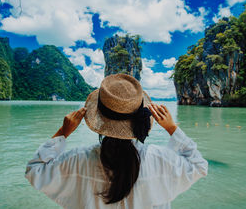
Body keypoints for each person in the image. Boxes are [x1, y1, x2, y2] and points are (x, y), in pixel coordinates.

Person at [25, 73, 208, 208]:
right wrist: (172, 129)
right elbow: (199, 166)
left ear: (99, 118)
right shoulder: (160, 160)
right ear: (141, 117)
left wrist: (62, 132)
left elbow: (35, 170)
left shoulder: (77, 160)